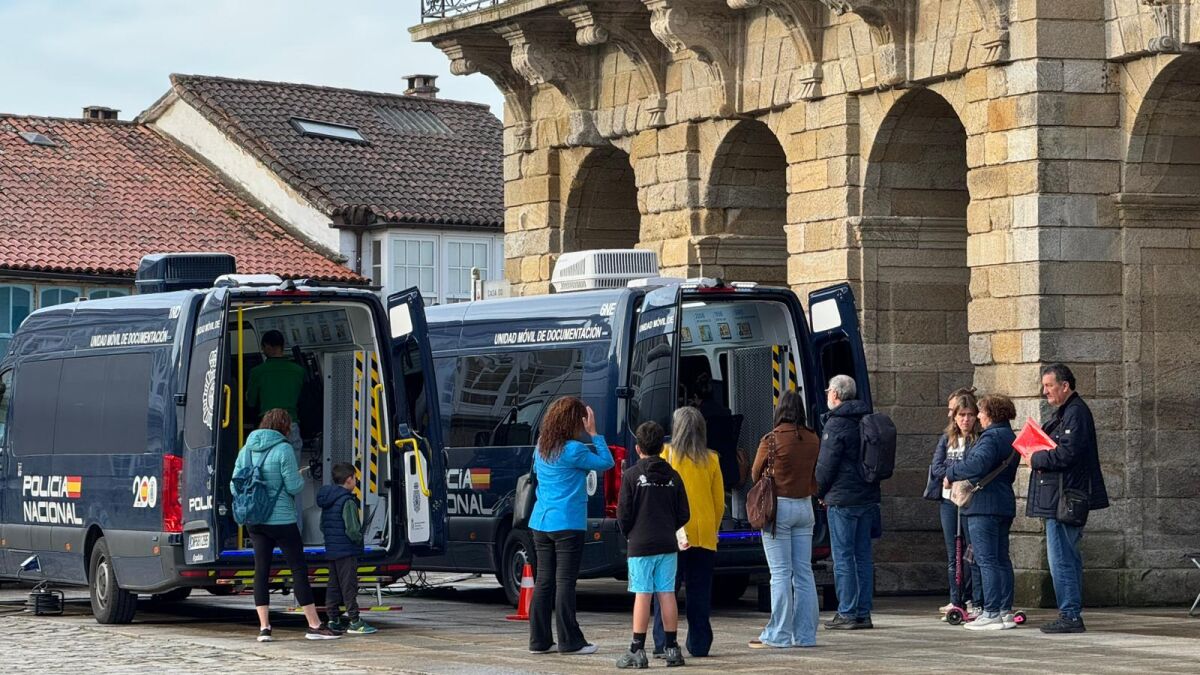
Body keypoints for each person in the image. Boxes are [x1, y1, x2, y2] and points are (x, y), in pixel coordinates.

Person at [231, 409, 339, 641]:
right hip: (282, 520)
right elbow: (293, 486)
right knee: (298, 569)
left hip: (254, 520)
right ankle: (314, 625)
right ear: (285, 427)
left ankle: (264, 628)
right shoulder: (284, 449)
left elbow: (234, 485)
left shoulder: (246, 449)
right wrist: (299, 478)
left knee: (261, 571)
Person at [528, 397, 614, 655]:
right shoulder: (574, 450)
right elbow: (607, 462)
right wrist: (595, 434)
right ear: (573, 423)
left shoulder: (541, 447)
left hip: (540, 521)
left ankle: (539, 641)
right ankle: (570, 641)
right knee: (565, 582)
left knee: (544, 581)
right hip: (567, 523)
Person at [1029, 363, 1109, 634]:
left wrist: (1036, 457)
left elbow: (1067, 454)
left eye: (1049, 385)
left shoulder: (1076, 412)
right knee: (1066, 556)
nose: (1045, 391)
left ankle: (1070, 615)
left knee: (1061, 558)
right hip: (1061, 496)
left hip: (1066, 498)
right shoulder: (1067, 412)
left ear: (1065, 386)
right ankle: (1070, 613)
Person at [748, 390, 821, 649]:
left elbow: (755, 473)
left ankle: (779, 634)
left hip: (778, 509)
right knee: (804, 573)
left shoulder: (772, 439)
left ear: (780, 410)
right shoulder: (813, 438)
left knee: (780, 573)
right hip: (805, 507)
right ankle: (806, 635)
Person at [616, 421, 691, 669]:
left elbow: (623, 514)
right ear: (662, 447)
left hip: (640, 544)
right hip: (667, 544)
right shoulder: (674, 476)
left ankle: (637, 649)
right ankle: (672, 648)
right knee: (666, 593)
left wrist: (631, 532)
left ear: (638, 448)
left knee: (643, 594)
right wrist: (669, 527)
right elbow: (684, 513)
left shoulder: (631, 476)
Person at [651, 406, 724, 658]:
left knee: (666, 590)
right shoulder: (712, 459)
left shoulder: (666, 455)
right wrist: (712, 529)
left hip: (673, 533)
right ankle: (700, 643)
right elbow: (718, 502)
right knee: (699, 592)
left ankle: (663, 641)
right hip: (703, 534)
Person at [945, 394, 1019, 631]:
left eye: (981, 412)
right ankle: (1005, 611)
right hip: (1003, 502)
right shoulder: (1010, 436)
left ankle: (991, 612)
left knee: (986, 560)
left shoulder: (990, 437)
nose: (978, 416)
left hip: (984, 505)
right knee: (1001, 559)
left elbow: (977, 465)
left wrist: (952, 473)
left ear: (991, 414)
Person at [815, 374, 878, 630]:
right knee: (863, 556)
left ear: (835, 394)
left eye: (828, 390)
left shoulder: (836, 423)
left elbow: (825, 465)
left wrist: (818, 491)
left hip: (842, 500)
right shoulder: (866, 418)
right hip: (867, 497)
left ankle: (847, 612)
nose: (827, 394)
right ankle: (863, 612)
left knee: (842, 557)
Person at [927, 390, 984, 617]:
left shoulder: (978, 439)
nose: (965, 420)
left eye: (970, 415)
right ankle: (955, 599)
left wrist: (954, 474)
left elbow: (974, 466)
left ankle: (974, 598)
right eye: (961, 415)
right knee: (954, 553)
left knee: (971, 552)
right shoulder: (947, 439)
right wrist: (952, 474)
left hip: (970, 500)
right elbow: (936, 467)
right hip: (948, 500)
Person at [317, 462, 376, 636]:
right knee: (349, 586)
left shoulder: (328, 499)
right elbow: (352, 530)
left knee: (333, 585)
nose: (356, 481)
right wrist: (359, 539)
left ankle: (333, 619)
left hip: (332, 548)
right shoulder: (347, 501)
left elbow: (322, 526)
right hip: (346, 550)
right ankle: (355, 621)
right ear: (349, 479)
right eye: (355, 478)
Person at [247, 329, 306, 455]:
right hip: (291, 423)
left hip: (268, 425)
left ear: (267, 346)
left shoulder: (257, 372)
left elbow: (251, 401)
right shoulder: (299, 371)